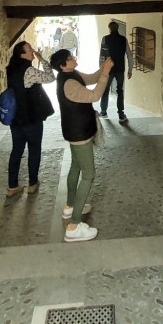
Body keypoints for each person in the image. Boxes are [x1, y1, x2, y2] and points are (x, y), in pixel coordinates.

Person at [50, 48, 112, 242]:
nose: (73, 58)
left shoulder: (70, 74)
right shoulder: (68, 83)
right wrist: (106, 74)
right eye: (69, 58)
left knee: (76, 166)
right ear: (62, 65)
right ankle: (74, 226)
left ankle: (70, 207)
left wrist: (102, 69)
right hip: (79, 133)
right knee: (89, 174)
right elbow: (94, 96)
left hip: (75, 130)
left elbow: (90, 79)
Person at [5, 41, 55, 197]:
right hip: (30, 117)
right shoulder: (30, 71)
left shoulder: (11, 68)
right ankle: (32, 183)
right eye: (29, 50)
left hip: (16, 118)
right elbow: (51, 77)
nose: (32, 51)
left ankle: (12, 185)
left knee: (17, 150)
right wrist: (43, 60)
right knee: (34, 149)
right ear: (22, 54)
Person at [98, 20, 133, 123]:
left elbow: (102, 55)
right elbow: (129, 55)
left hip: (108, 68)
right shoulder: (123, 39)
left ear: (109, 28)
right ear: (117, 28)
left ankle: (103, 111)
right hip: (120, 69)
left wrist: (101, 69)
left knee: (106, 89)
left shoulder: (105, 39)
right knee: (120, 91)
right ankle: (121, 114)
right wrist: (130, 69)